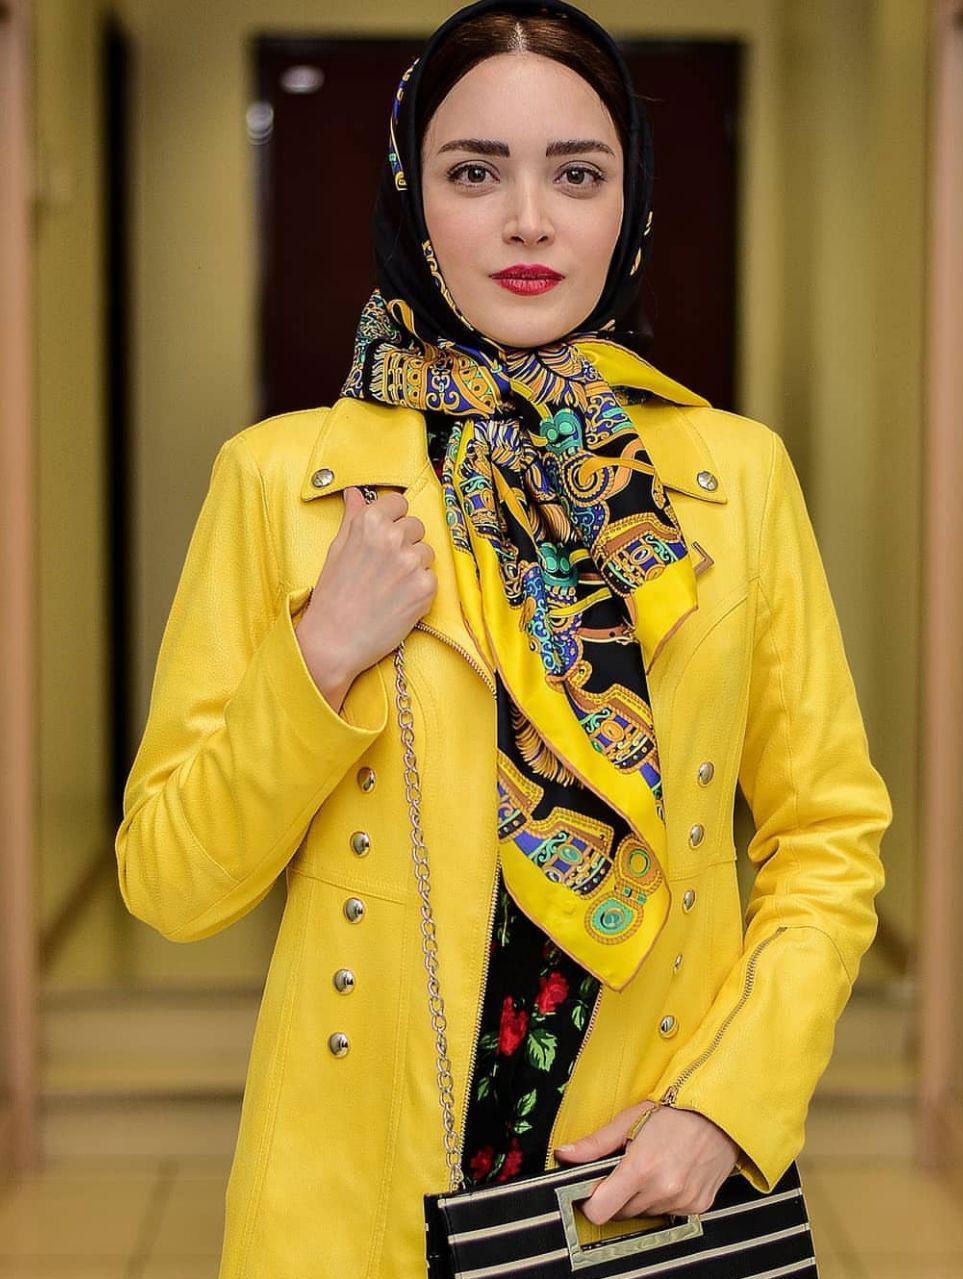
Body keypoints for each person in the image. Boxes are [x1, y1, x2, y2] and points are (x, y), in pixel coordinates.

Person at [114, 2, 894, 1275]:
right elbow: (169, 883)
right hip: (363, 1172)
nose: (528, 220)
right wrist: (320, 656)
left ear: (628, 205)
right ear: (413, 200)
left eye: (575, 174)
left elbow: (826, 835)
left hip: (635, 1160)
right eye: (475, 173)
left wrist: (726, 1103)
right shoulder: (284, 484)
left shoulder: (734, 478)